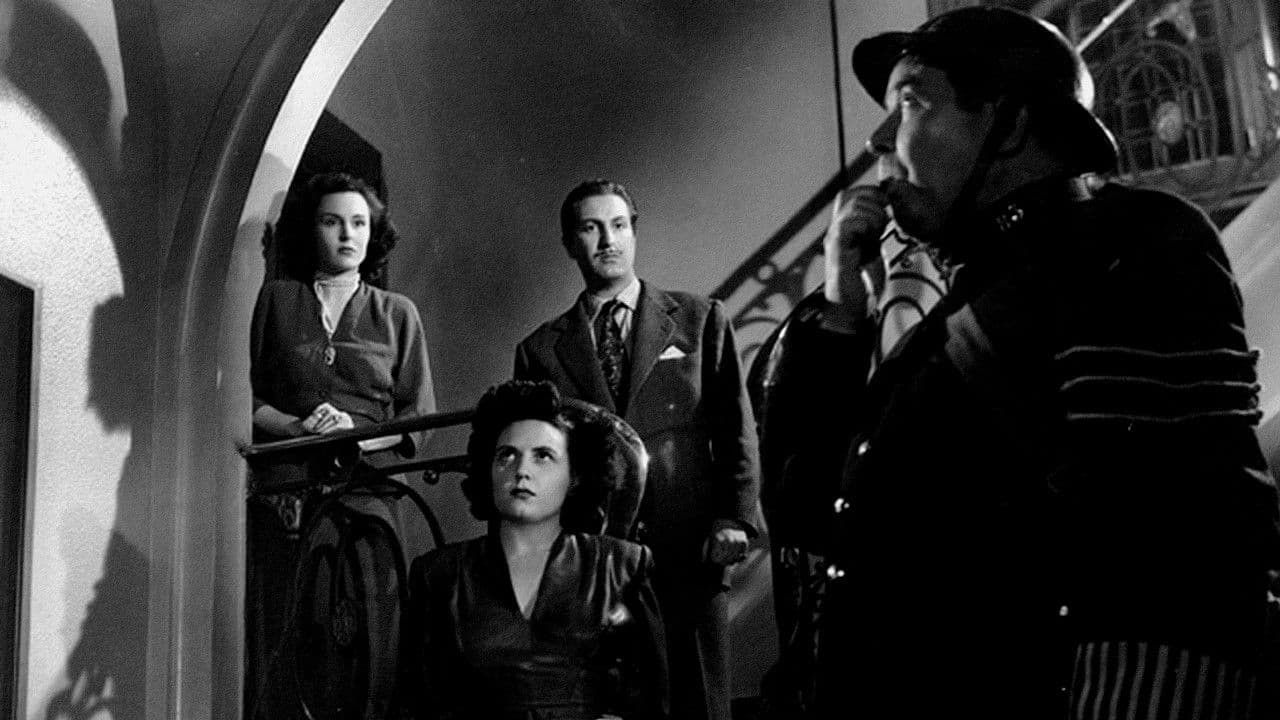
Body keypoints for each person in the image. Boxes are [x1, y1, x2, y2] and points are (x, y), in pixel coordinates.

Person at [806, 7, 1280, 719]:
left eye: (911, 101)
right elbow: (813, 512)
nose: (879, 140)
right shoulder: (957, 309)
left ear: (1010, 126)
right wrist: (842, 311)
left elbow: (1187, 543)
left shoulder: (1128, 241)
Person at [514, 179, 760, 720]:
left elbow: (735, 426)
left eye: (619, 225)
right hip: (597, 559)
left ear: (633, 232)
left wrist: (735, 517)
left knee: (700, 702)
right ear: (570, 243)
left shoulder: (699, 318)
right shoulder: (540, 351)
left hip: (691, 545)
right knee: (622, 705)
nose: (608, 241)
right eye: (591, 228)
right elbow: (538, 462)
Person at [247, 171, 436, 718]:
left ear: (373, 234)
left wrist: (357, 436)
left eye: (359, 223)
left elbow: (418, 415)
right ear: (312, 230)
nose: (347, 234)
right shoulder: (276, 301)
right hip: (290, 494)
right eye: (332, 222)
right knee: (290, 634)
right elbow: (245, 396)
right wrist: (297, 428)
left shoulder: (397, 313)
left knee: (371, 640)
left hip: (370, 493)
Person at [407, 380, 669, 720]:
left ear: (574, 476)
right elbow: (418, 704)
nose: (521, 471)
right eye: (506, 455)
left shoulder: (622, 568)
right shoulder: (440, 575)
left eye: (543, 456)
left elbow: (652, 702)